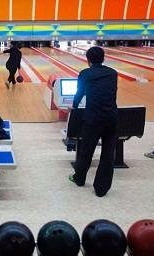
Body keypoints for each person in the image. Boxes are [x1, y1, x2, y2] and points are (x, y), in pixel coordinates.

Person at [68, 46, 118, 197]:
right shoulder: (112, 73)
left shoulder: (85, 74)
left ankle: (79, 178)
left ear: (87, 60)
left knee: (86, 150)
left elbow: (80, 93)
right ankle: (101, 189)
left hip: (93, 119)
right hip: (111, 118)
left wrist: (74, 106)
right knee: (108, 155)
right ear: (103, 58)